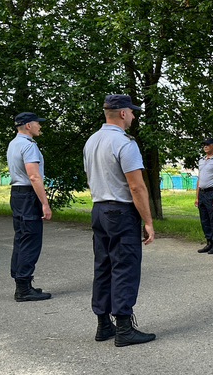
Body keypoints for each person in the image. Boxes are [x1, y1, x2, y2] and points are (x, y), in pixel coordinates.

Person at [83, 94, 155, 347]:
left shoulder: (92, 141)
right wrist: (147, 221)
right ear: (123, 113)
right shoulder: (124, 143)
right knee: (124, 266)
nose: (134, 116)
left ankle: (104, 325)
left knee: (103, 266)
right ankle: (124, 327)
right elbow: (136, 187)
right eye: (132, 112)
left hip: (99, 209)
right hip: (121, 212)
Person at [8, 112, 52, 302]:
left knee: (21, 238)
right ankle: (24, 289)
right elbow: (34, 176)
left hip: (17, 194)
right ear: (28, 125)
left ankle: (22, 283)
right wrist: (44, 202)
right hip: (28, 195)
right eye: (37, 123)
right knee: (31, 240)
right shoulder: (28, 146)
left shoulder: (13, 143)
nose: (39, 126)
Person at [195, 137, 213, 255]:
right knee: (204, 219)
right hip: (202, 192)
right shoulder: (201, 160)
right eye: (204, 144)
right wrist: (197, 196)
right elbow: (199, 179)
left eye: (208, 144)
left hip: (212, 192)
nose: (205, 146)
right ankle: (209, 241)